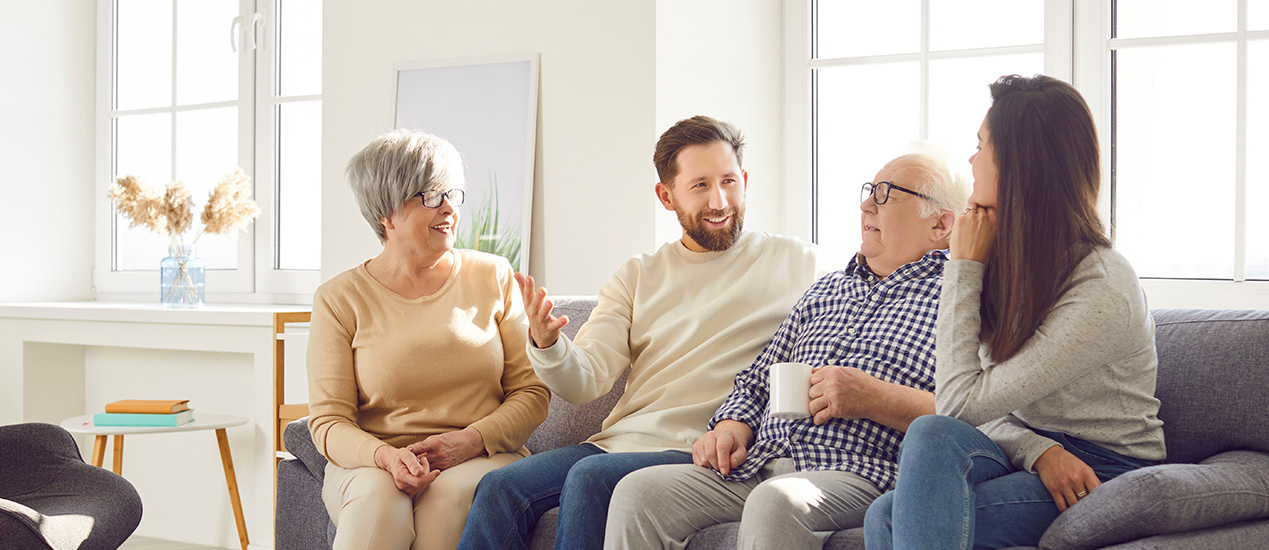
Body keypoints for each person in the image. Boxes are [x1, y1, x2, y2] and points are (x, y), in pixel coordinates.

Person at [456, 115, 818, 550]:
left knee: (591, 480)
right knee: (499, 488)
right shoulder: (637, 275)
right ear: (666, 196)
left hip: (704, 447)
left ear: (744, 179)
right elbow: (585, 380)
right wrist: (549, 343)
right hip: (619, 445)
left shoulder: (799, 264)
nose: (720, 200)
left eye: (728, 181)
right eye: (700, 186)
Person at [605, 152, 970, 550]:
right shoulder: (827, 288)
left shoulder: (960, 298)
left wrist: (874, 398)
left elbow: (975, 412)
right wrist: (729, 429)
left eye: (886, 195)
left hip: (860, 470)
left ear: (941, 223)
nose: (866, 204)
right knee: (638, 493)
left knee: (776, 502)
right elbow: (756, 383)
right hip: (763, 463)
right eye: (869, 191)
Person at [863, 74, 1167, 550]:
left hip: (1105, 465)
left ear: (1020, 166)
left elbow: (960, 402)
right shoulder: (1010, 260)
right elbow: (959, 411)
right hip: (1030, 446)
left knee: (889, 516)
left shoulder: (1103, 286)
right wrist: (1038, 451)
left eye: (981, 146)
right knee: (927, 443)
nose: (971, 160)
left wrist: (963, 267)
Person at [307, 130, 551, 550]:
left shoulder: (492, 275)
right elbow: (329, 422)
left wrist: (469, 441)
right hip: (372, 461)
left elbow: (531, 394)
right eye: (430, 197)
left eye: (452, 194)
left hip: (481, 456)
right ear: (386, 213)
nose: (450, 209)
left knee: (447, 498)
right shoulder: (338, 298)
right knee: (378, 501)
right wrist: (386, 458)